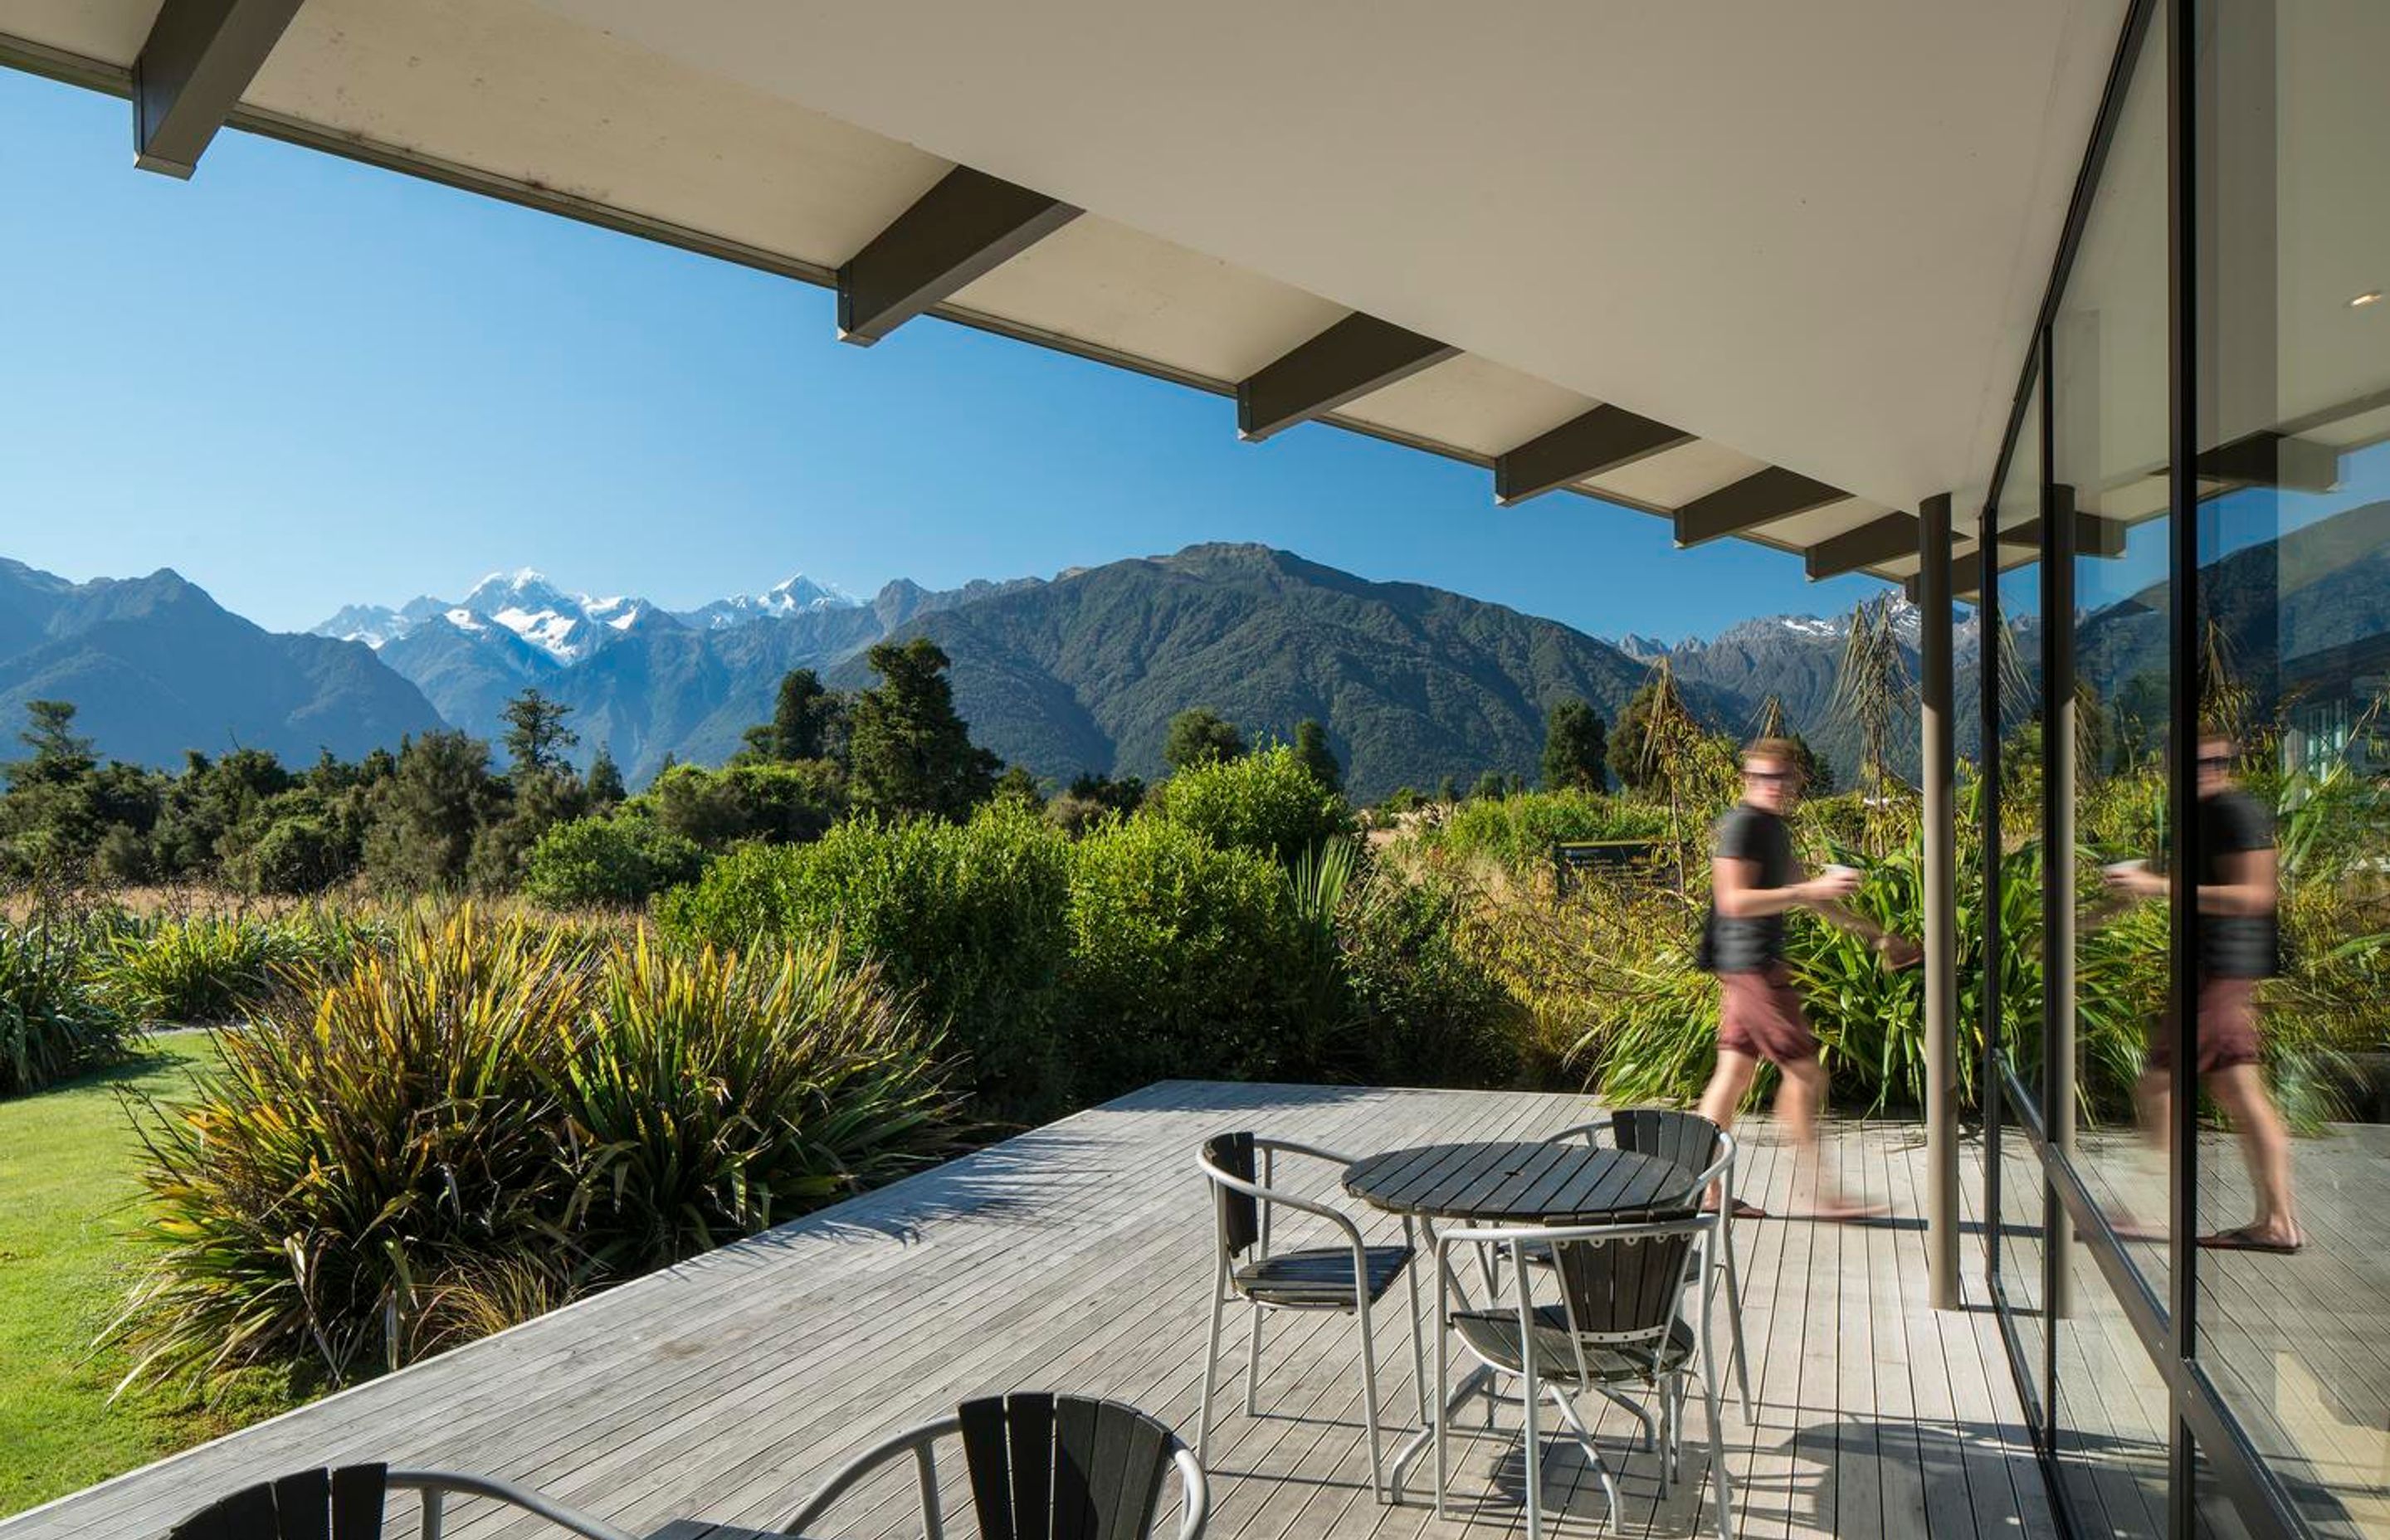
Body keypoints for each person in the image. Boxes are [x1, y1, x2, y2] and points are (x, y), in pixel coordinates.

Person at [1693, 738, 1921, 1220]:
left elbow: (1813, 898)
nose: (1773, 786)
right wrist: (1805, 889)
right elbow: (1734, 901)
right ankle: (1819, 1193)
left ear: (1795, 780)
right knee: (1805, 1072)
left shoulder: (1775, 830)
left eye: (1782, 777)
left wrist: (1878, 936)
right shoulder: (1744, 828)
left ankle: (1706, 1193)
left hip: (1750, 967)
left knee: (1732, 1075)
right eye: (1763, 777)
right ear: (1748, 780)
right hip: (1751, 966)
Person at [2103, 725, 2300, 1254]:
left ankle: (2145, 1209)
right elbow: (2173, 883)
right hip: (2212, 969)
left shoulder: (2237, 813)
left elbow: (2256, 896)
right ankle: (2277, 1222)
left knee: (2160, 1085)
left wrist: (2158, 886)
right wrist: (2097, 911)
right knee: (2239, 1093)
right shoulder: (2197, 817)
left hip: (2221, 970)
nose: (2205, 772)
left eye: (2216, 762)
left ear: (2229, 766)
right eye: (2193, 763)